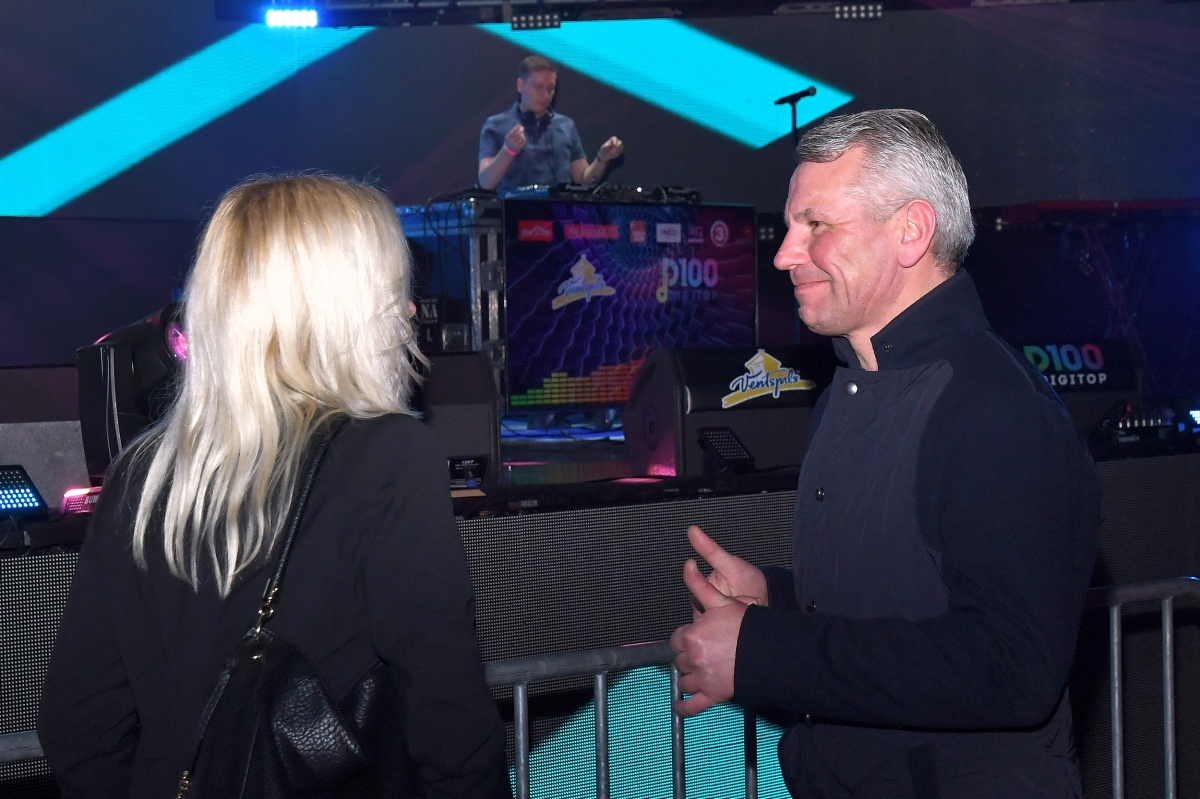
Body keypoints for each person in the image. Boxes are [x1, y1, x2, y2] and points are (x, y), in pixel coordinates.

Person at [670, 110, 1102, 798]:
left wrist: (763, 650)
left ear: (911, 232)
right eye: (791, 227)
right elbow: (909, 600)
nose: (785, 254)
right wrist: (776, 600)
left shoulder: (994, 407)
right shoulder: (850, 388)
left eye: (817, 225)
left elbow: (1011, 665)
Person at [37, 175, 511, 799]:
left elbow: (78, 726)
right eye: (394, 291)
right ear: (340, 311)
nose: (409, 312)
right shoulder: (388, 457)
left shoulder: (141, 476)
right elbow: (452, 733)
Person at [478, 55, 623, 194]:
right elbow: (486, 182)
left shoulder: (566, 126)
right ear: (520, 85)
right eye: (538, 86)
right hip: (515, 210)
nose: (545, 95)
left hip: (561, 210)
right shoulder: (496, 125)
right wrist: (508, 150)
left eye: (550, 88)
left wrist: (602, 159)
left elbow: (583, 182)